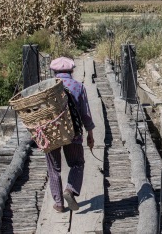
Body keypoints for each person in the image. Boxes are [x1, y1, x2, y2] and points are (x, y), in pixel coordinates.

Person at [46, 56, 95, 213]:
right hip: (72, 133)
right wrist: (90, 134)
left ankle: (59, 203)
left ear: (54, 71)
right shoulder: (78, 87)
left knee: (54, 169)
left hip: (51, 134)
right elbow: (85, 114)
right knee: (77, 163)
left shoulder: (46, 88)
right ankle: (70, 190)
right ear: (72, 70)